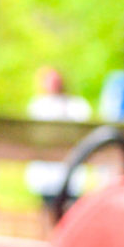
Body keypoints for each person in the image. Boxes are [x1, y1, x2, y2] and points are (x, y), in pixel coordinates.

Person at [24, 66, 91, 231]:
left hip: (70, 174)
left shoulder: (76, 106)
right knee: (47, 212)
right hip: (46, 175)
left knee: (70, 214)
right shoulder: (38, 105)